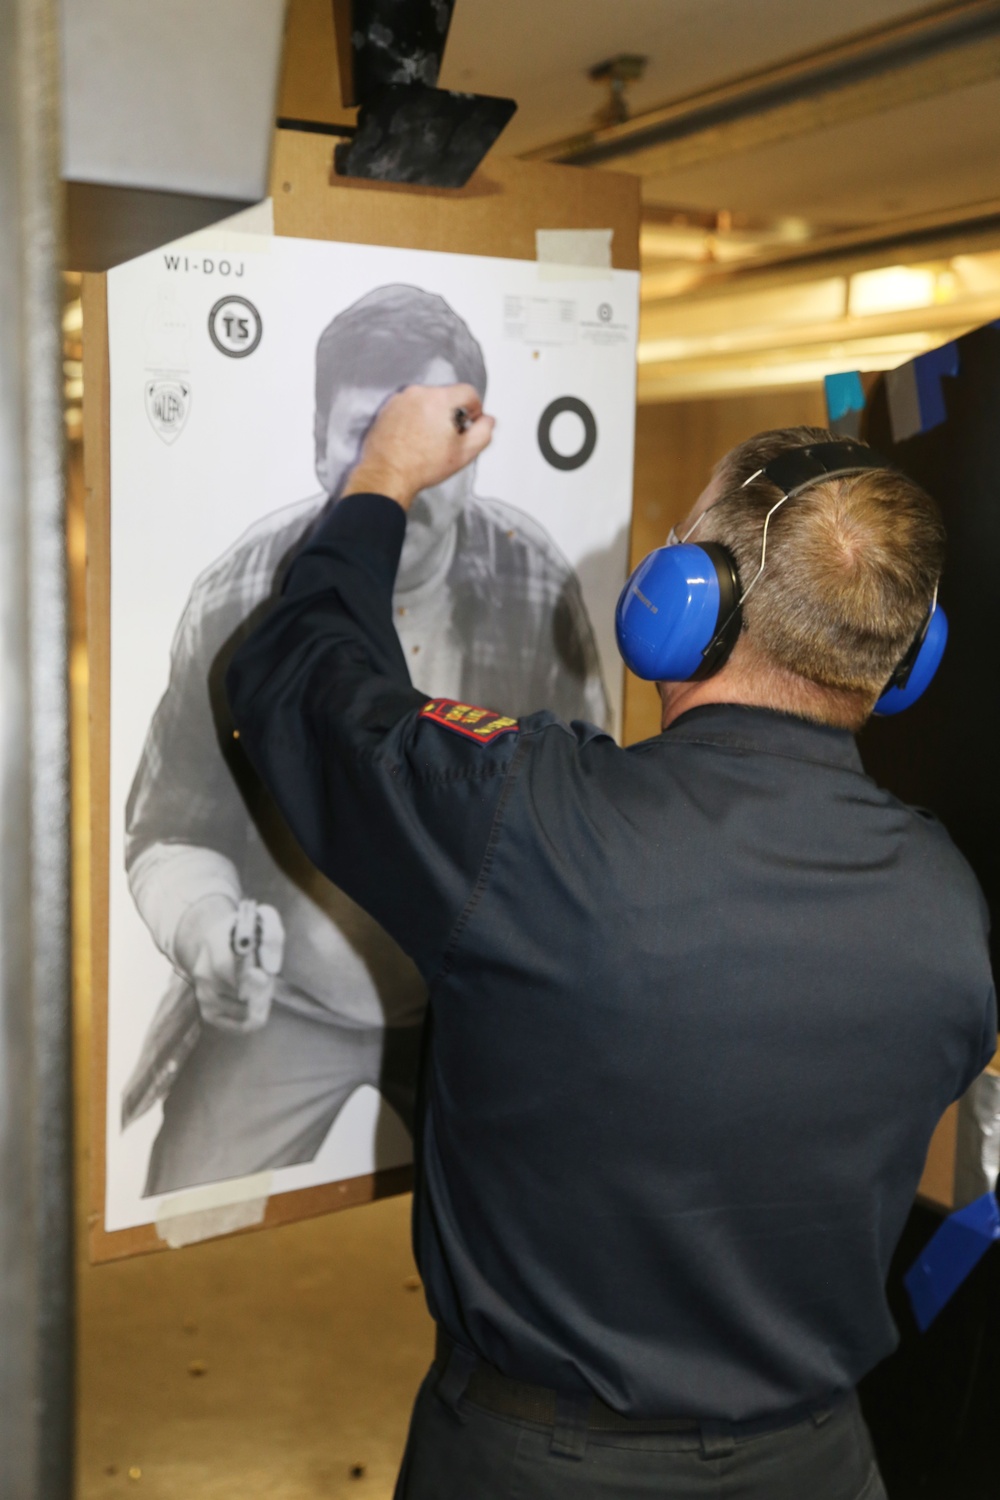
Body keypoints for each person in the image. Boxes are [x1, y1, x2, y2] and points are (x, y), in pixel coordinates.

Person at [224, 384, 996, 1499]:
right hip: (821, 1459)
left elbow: (298, 683)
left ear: (687, 603)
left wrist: (382, 478)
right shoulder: (945, 901)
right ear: (905, 655)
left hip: (538, 1465)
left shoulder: (528, 819)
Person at [122, 285, 608, 1195]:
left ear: (475, 442)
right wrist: (209, 935)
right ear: (316, 447)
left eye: (434, 427)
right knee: (184, 1200)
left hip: (469, 996)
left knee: (528, 1224)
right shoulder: (235, 592)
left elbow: (582, 820)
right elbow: (167, 826)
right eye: (373, 434)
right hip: (290, 1003)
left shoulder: (534, 578)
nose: (410, 464)